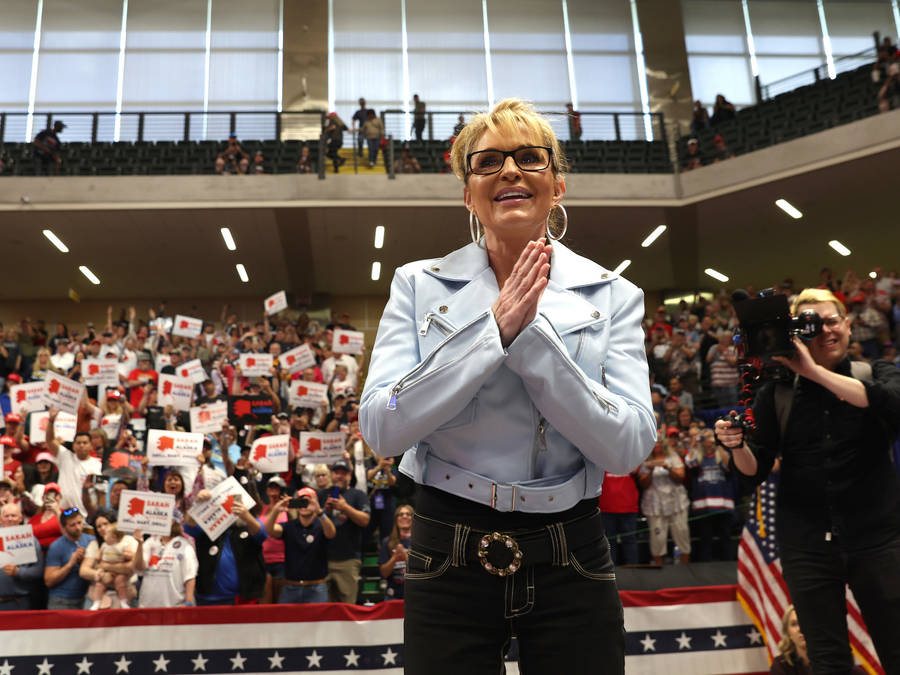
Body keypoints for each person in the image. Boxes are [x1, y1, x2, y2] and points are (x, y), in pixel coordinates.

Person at [359, 98, 655, 673]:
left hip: (573, 546)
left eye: (529, 157)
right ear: (467, 192)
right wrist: (489, 334)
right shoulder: (417, 285)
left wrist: (531, 342)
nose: (510, 171)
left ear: (558, 184)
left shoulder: (613, 294)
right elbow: (382, 423)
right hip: (447, 545)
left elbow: (628, 445)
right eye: (488, 161)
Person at [715, 287, 900, 674]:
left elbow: (888, 403)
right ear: (797, 334)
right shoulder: (777, 392)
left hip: (878, 539)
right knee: (826, 659)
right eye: (814, 325)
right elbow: (755, 469)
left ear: (849, 325)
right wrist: (735, 446)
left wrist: (812, 371)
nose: (827, 331)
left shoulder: (877, 371)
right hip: (807, 543)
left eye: (833, 320)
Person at [183, 488, 267, 605]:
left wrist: (246, 516)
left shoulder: (250, 524)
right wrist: (197, 505)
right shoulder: (208, 527)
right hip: (208, 598)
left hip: (243, 599)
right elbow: (189, 525)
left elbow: (261, 533)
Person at [265, 487, 336, 603]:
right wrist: (276, 510)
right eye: (301, 501)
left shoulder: (321, 525)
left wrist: (319, 512)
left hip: (316, 587)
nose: (304, 505)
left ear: (315, 502)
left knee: (318, 621)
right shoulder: (289, 526)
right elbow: (269, 530)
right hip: (290, 587)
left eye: (308, 501)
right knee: (286, 620)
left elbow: (331, 533)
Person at [317, 459, 370, 604]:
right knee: (324, 609)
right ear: (331, 474)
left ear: (349, 475)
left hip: (348, 559)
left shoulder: (358, 495)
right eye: (336, 472)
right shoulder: (321, 495)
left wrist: (345, 507)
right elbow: (311, 523)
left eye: (343, 473)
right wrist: (324, 512)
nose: (339, 476)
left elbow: (365, 520)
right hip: (323, 560)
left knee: (348, 608)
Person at [638, 432, 690, 565]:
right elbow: (643, 483)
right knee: (657, 537)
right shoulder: (645, 458)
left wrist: (668, 467)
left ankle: (685, 566)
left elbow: (680, 478)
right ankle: (658, 566)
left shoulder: (673, 457)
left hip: (676, 501)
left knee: (681, 532)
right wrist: (650, 468)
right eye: (654, 443)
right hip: (654, 503)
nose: (657, 446)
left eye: (659, 443)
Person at [771, 605, 867, 675]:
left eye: (805, 622)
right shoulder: (781, 665)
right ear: (788, 633)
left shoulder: (837, 661)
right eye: (794, 624)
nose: (801, 629)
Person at [133, 519, 198, 608]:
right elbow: (139, 568)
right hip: (148, 605)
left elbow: (190, 576)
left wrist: (188, 602)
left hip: (175, 606)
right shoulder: (150, 542)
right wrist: (140, 544)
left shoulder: (185, 545)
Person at [44, 506, 91, 609]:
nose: (77, 527)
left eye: (79, 523)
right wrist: (70, 564)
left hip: (86, 598)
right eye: (72, 525)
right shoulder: (56, 546)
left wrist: (84, 560)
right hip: (61, 600)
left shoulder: (91, 541)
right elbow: (49, 581)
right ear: (64, 527)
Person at [0, 502, 44, 610]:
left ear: (20, 518)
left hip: (19, 602)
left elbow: (39, 571)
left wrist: (18, 572)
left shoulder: (31, 541)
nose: (10, 519)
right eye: (6, 516)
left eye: (13, 515)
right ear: (1, 519)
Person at [86, 522, 135, 609]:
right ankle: (97, 602)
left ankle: (123, 601)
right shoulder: (104, 545)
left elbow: (131, 555)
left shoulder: (123, 545)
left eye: (107, 535)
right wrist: (97, 559)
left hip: (118, 570)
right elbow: (98, 556)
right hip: (106, 571)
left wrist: (127, 555)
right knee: (99, 584)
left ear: (114, 537)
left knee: (120, 583)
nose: (104, 537)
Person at [378, 505, 412, 600]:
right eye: (400, 514)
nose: (404, 516)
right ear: (396, 519)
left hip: (414, 595)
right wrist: (395, 557)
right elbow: (384, 573)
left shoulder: (420, 542)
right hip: (393, 596)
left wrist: (405, 556)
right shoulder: (387, 542)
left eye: (408, 514)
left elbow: (420, 570)